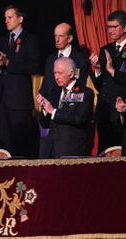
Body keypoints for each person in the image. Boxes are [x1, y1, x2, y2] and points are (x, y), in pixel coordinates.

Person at [0, 5, 40, 158]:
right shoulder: (0, 41)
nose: (6, 21)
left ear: (20, 19)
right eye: (5, 18)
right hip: (1, 100)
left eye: (10, 17)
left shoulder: (30, 40)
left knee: (19, 143)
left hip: (19, 101)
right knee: (3, 144)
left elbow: (33, 67)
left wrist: (8, 64)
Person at [89, 10, 126, 154]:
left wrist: (112, 70)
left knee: (122, 156)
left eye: (114, 27)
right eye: (109, 27)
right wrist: (98, 69)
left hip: (123, 109)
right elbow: (101, 86)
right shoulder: (106, 49)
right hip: (105, 110)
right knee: (104, 154)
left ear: (125, 27)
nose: (110, 30)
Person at [38, 22, 90, 158]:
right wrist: (43, 103)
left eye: (61, 36)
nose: (57, 39)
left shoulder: (80, 60)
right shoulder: (50, 59)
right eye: (55, 36)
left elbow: (78, 91)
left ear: (70, 38)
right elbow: (45, 86)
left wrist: (54, 111)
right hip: (51, 125)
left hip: (69, 130)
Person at [36, 57, 94, 158]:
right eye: (54, 73)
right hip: (51, 150)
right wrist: (45, 109)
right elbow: (44, 124)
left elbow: (79, 119)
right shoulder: (54, 92)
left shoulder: (85, 93)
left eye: (60, 73)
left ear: (71, 74)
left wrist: (53, 111)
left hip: (71, 150)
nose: (56, 77)